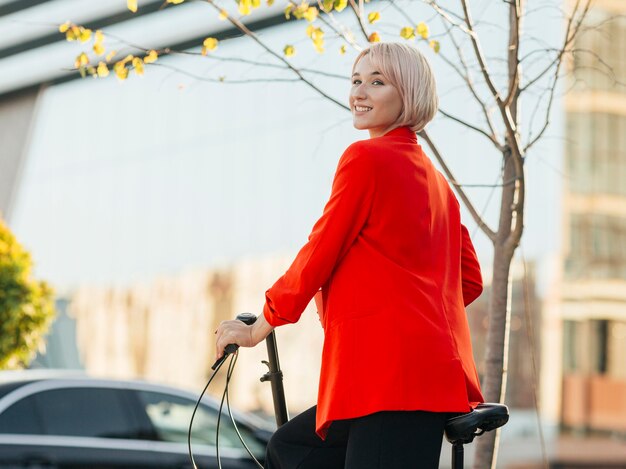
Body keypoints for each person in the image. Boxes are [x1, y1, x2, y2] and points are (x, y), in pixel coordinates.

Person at [215, 42, 484, 469]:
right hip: (419, 378)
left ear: (409, 94)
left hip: (391, 380)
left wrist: (259, 328)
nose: (359, 92)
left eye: (377, 82)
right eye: (356, 80)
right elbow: (468, 281)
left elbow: (318, 253)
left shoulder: (365, 158)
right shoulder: (437, 182)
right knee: (291, 449)